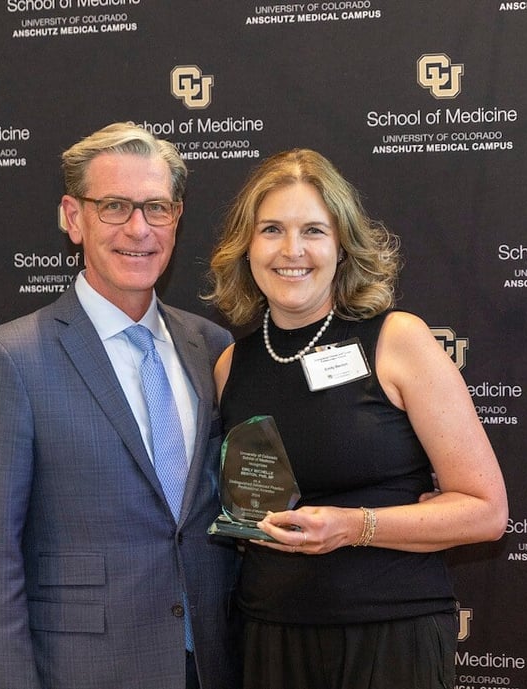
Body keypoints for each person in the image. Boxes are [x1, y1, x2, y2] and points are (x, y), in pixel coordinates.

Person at [205, 148, 508, 689]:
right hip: (271, 637)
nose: (292, 250)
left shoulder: (398, 340)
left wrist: (353, 527)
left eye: (314, 231)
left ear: (342, 246)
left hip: (391, 637)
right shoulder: (232, 365)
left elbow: (485, 512)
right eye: (271, 229)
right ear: (246, 247)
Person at [0, 122, 240, 689]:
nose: (139, 229)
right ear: (73, 217)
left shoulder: (212, 347)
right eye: (114, 206)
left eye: (156, 207)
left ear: (176, 218)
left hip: (212, 664)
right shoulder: (12, 360)